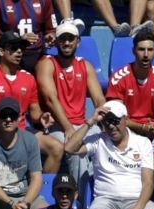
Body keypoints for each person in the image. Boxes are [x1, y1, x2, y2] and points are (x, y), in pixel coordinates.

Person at [65, 100, 154, 209]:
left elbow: (148, 182)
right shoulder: (97, 140)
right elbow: (69, 148)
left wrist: (139, 208)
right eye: (106, 122)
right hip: (106, 199)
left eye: (115, 121)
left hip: (135, 199)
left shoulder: (143, 142)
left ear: (126, 120)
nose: (111, 126)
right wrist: (91, 122)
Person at [0, 32, 63, 172]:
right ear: (1, 51)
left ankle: (42, 188)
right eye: (14, 48)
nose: (19, 51)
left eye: (21, 48)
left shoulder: (28, 78)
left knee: (56, 148)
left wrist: (41, 117)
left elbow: (34, 111)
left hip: (21, 130)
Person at [36, 21, 106, 188]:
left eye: (71, 38)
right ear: (57, 41)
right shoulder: (47, 63)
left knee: (109, 141)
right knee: (75, 151)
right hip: (58, 126)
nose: (67, 43)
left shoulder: (85, 65)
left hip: (81, 124)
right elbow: (51, 99)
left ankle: (101, 193)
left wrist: (103, 121)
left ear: (78, 41)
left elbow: (99, 99)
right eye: (63, 39)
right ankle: (79, 202)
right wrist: (68, 127)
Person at [0, 97, 45, 209]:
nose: (8, 119)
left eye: (12, 115)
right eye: (4, 115)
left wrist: (25, 203)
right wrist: (11, 204)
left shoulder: (30, 140)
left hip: (25, 196)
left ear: (20, 117)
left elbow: (36, 178)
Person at [105, 29, 154, 140]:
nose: (146, 54)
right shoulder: (119, 78)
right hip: (126, 130)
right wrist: (142, 127)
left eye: (150, 50)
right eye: (141, 49)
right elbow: (117, 116)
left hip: (152, 130)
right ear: (134, 51)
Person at [0, 0, 56, 73]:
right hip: (9, 55)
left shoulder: (44, 1)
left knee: (48, 68)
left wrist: (50, 37)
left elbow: (52, 30)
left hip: (37, 55)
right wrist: (17, 40)